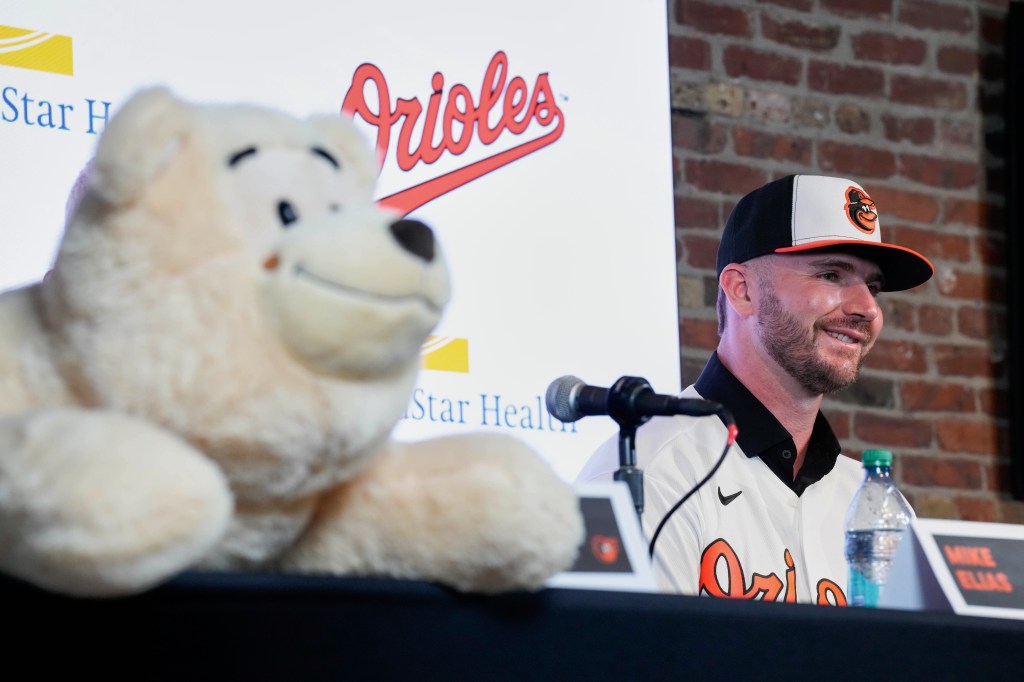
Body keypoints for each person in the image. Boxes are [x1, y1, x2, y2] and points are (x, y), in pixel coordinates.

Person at [575, 174, 933, 605]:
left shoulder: (869, 500)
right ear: (741, 290)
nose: (867, 309)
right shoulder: (649, 469)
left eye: (872, 287)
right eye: (831, 274)